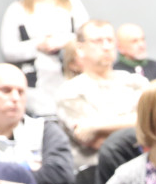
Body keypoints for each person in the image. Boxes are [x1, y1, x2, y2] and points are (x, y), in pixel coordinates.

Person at [0, 0, 88, 116]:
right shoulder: (16, 10)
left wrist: (65, 40)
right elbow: (9, 49)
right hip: (37, 82)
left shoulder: (71, 3)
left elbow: (87, 36)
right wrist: (38, 45)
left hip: (72, 73)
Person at [56, 19, 148, 166]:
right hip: (95, 170)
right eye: (97, 41)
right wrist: (135, 121)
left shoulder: (137, 82)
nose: (106, 47)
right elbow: (96, 141)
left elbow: (151, 122)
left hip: (143, 166)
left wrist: (95, 126)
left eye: (110, 40)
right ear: (80, 48)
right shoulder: (70, 91)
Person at [0, 63, 73, 184]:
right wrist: (29, 169)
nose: (15, 98)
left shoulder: (45, 130)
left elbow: (60, 175)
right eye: (6, 90)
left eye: (21, 92)